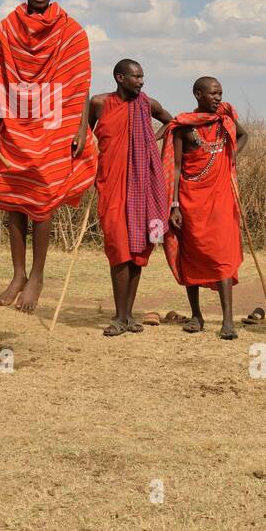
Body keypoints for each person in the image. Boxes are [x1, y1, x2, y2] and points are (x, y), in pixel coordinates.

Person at [0, 0, 97, 313]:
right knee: (15, 199)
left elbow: (80, 85)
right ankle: (18, 274)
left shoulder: (72, 32)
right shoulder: (3, 30)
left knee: (42, 200)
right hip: (15, 122)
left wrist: (79, 127)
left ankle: (38, 276)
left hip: (55, 124)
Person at [89, 60, 171, 335]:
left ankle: (126, 317)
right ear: (120, 77)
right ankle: (119, 315)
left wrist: (152, 138)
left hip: (143, 185)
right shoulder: (99, 103)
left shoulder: (148, 104)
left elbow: (172, 123)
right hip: (111, 185)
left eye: (142, 76)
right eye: (136, 77)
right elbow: (85, 136)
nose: (141, 81)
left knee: (137, 250)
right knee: (118, 249)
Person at [162, 76, 248, 338]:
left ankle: (228, 321)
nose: (218, 98)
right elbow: (175, 168)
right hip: (190, 199)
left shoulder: (225, 121)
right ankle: (196, 315)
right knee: (192, 256)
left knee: (222, 255)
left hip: (221, 198)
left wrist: (230, 156)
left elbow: (244, 136)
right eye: (213, 93)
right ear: (198, 94)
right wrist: (174, 205)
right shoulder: (184, 127)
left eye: (220, 93)